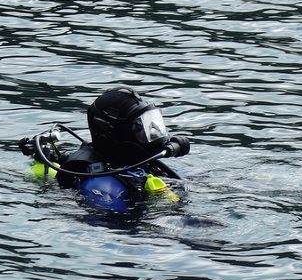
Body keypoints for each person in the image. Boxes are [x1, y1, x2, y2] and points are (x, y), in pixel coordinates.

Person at [18, 88, 190, 213]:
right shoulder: (101, 186)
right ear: (111, 134)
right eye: (140, 129)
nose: (152, 135)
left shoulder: (139, 163)